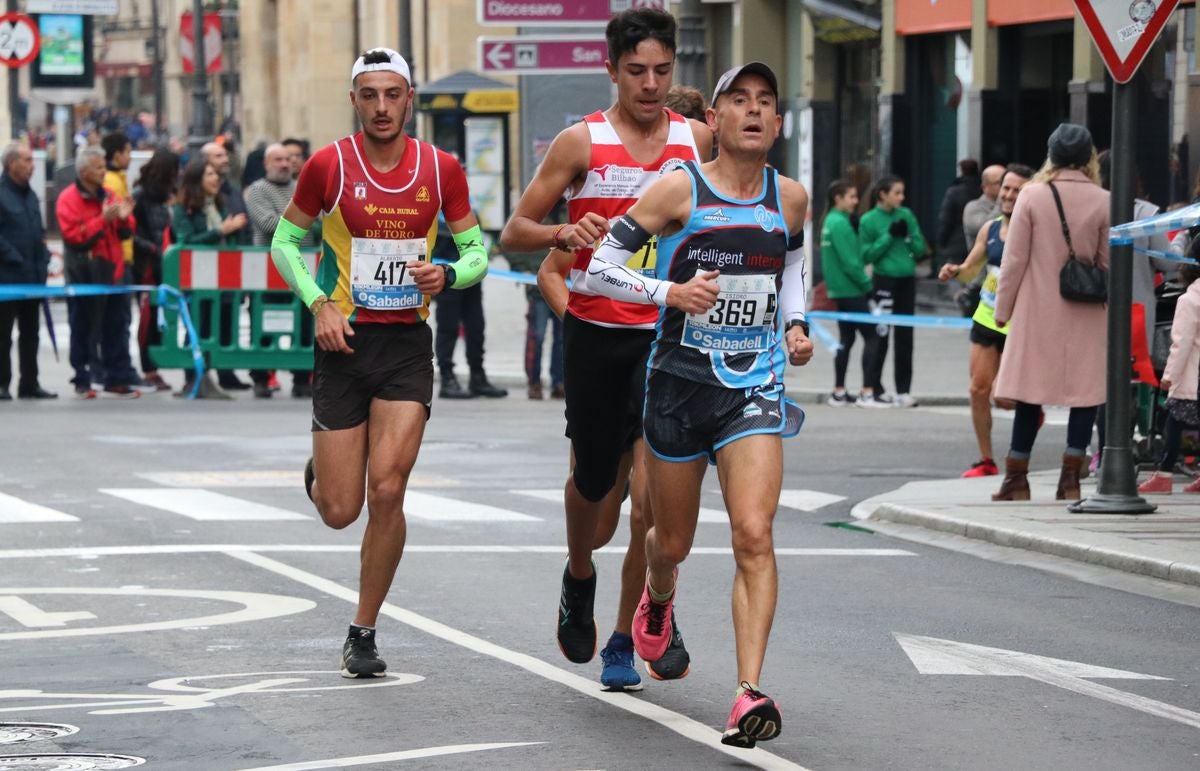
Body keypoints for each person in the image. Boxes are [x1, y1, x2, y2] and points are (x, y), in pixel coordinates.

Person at [580, 61, 811, 748]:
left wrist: (796, 326)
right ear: (714, 118)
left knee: (753, 533)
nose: (752, 111)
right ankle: (657, 592)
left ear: (777, 122)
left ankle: (747, 693)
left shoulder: (790, 197)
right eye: (738, 100)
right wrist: (669, 294)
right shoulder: (679, 191)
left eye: (765, 101)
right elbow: (600, 267)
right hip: (678, 387)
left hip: (753, 388)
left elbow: (793, 266)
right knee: (670, 541)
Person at [501, 6, 713, 692]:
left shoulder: (697, 141)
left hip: (671, 340)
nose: (650, 84)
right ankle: (578, 572)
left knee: (654, 505)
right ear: (611, 70)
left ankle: (637, 625)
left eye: (661, 70)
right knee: (595, 493)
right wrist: (561, 234)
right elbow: (515, 231)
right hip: (598, 335)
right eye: (635, 71)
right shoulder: (580, 143)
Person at [269, 47, 488, 678]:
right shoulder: (328, 165)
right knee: (342, 510)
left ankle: (362, 629)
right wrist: (318, 304)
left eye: (394, 94)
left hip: (405, 349)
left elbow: (476, 248)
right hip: (343, 343)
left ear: (409, 99)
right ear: (355, 100)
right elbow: (287, 241)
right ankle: (322, 473)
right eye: (371, 95)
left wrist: (447, 272)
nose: (382, 106)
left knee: (388, 489)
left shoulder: (440, 168)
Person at [991, 123, 1109, 502]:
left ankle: (1016, 479)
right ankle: (1070, 478)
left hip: (1036, 310)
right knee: (1086, 395)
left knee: (1029, 393)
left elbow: (1014, 260)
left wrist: (1002, 309)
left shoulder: (1032, 196)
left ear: (1051, 155)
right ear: (1089, 157)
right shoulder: (1105, 200)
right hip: (1087, 311)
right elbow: (1108, 263)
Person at [938, 164, 1033, 477]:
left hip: (1021, 322)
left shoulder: (1035, 231)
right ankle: (987, 460)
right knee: (978, 389)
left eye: (1017, 190)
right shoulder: (990, 229)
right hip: (987, 316)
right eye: (1006, 188)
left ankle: (1032, 412)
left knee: (1005, 398)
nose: (1008, 195)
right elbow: (971, 269)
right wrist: (955, 270)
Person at [57, 146, 139, 398]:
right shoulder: (68, 198)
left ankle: (116, 376)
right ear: (83, 171)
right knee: (82, 324)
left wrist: (124, 218)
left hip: (112, 271)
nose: (104, 172)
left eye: (104, 166)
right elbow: (74, 237)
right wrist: (102, 220)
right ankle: (82, 377)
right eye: (99, 168)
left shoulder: (109, 194)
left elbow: (126, 231)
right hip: (85, 273)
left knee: (116, 323)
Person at [244, 143, 318, 399]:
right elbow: (267, 224)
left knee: (305, 323)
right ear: (267, 164)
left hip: (301, 269)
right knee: (263, 325)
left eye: (287, 159)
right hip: (268, 270)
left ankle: (301, 377)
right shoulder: (257, 191)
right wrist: (306, 221)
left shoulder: (301, 189)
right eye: (278, 160)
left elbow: (321, 223)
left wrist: (305, 222)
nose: (285, 164)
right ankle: (261, 378)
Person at [859, 174, 926, 407]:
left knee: (905, 337)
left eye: (902, 192)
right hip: (883, 282)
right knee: (880, 335)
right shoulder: (868, 220)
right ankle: (875, 387)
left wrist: (907, 235)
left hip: (906, 281)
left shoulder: (906, 215)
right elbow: (867, 255)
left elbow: (920, 249)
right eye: (897, 192)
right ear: (883, 195)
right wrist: (889, 236)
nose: (901, 197)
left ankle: (903, 390)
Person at [819, 179, 884, 408]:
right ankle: (867, 392)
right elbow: (851, 263)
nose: (856, 201)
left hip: (839, 290)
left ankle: (839, 391)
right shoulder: (839, 223)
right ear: (839, 198)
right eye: (852, 197)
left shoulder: (831, 221)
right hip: (852, 289)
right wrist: (868, 288)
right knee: (873, 336)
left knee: (846, 339)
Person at [1138, 254, 1200, 494]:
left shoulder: (1189, 299)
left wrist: (1169, 376)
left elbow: (1181, 343)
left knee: (1175, 422)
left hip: (1192, 374)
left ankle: (1164, 473)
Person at [0, 143, 55, 400]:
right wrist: (13, 256)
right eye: (27, 160)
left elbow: (39, 232)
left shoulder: (30, 195)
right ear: (11, 164)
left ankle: (29, 382)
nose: (32, 165)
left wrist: (43, 258)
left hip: (32, 277)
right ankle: (2, 383)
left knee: (31, 332)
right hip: (7, 277)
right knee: (3, 334)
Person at [432, 213, 506, 399]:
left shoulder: (467, 202)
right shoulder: (438, 200)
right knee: (447, 328)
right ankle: (447, 378)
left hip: (470, 276)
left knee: (476, 327)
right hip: (446, 274)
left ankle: (478, 377)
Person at [131, 148, 181, 393]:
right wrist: (152, 248)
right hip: (148, 265)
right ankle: (148, 367)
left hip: (166, 264)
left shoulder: (170, 196)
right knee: (147, 319)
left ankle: (154, 363)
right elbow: (133, 233)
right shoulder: (141, 196)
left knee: (161, 316)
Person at [934, 159, 981, 275]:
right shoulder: (981, 191)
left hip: (956, 243)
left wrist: (941, 241)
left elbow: (946, 219)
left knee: (955, 276)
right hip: (977, 242)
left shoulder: (954, 191)